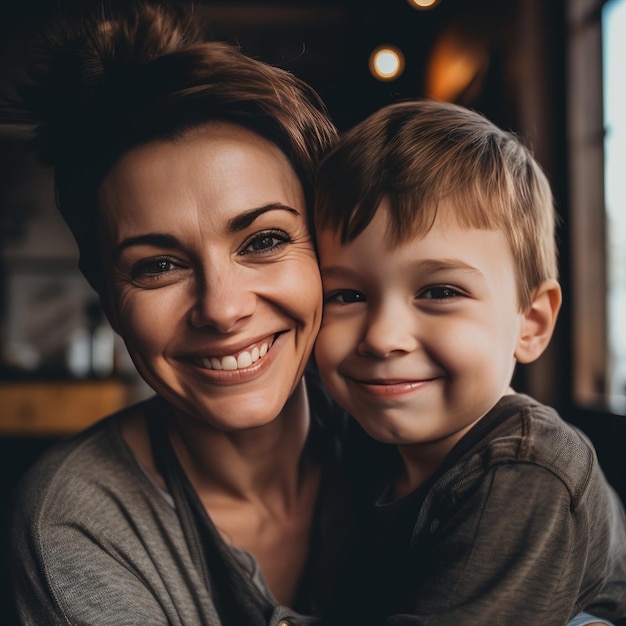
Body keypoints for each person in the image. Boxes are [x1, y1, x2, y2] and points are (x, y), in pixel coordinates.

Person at [3, 2, 354, 624]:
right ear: (107, 295)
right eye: (157, 265)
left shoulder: (422, 441)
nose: (221, 309)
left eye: (264, 241)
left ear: (328, 251)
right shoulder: (77, 526)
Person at [313, 99, 626, 625]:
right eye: (344, 296)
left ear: (530, 323)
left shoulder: (530, 469)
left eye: (439, 290)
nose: (384, 338)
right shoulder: (358, 448)